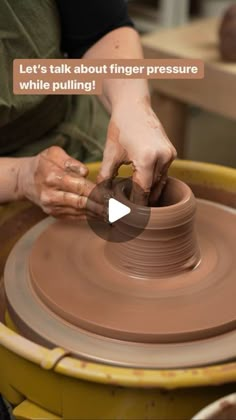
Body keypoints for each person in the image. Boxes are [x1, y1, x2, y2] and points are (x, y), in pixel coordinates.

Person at [0, 0, 176, 220]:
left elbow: (102, 29)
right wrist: (18, 178)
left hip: (66, 115)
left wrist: (133, 107)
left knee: (140, 180)